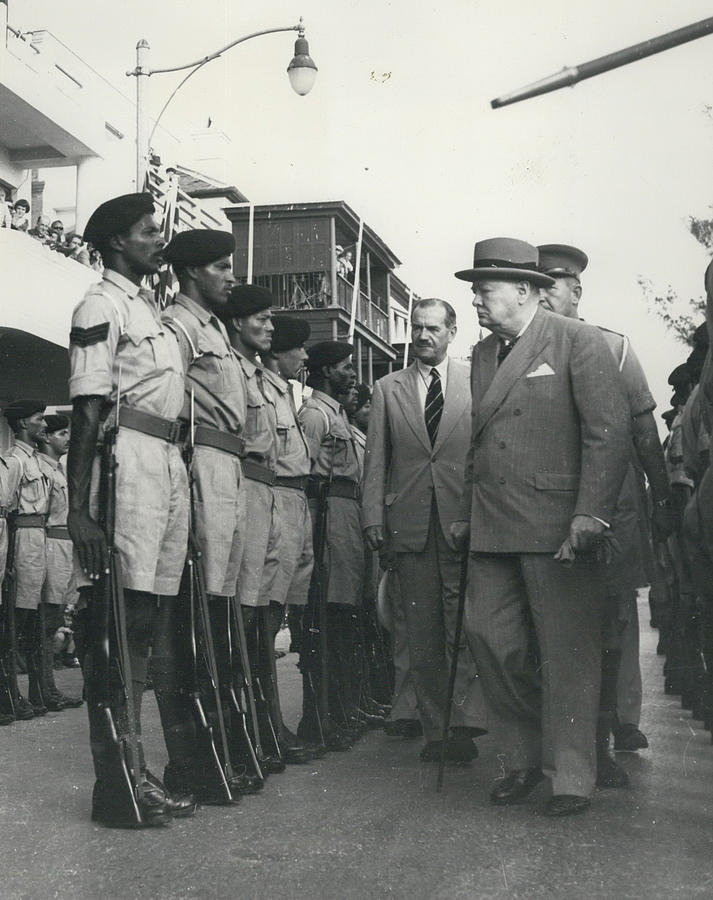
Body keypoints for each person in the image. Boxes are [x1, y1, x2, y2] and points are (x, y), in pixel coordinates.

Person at [451, 237, 630, 817]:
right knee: (490, 640)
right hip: (492, 525)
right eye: (475, 289)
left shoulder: (578, 340)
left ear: (525, 290)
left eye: (485, 288)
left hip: (558, 526)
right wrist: (464, 513)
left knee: (568, 653)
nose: (476, 299)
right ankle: (524, 758)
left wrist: (590, 512)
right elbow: (479, 443)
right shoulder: (482, 355)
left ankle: (571, 776)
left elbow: (608, 431)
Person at [67, 192, 194, 828]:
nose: (159, 241)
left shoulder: (150, 307)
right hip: (126, 466)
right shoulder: (101, 303)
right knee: (119, 622)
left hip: (162, 462)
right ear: (118, 241)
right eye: (149, 232)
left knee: (143, 621)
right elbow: (88, 409)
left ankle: (134, 769)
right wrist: (80, 512)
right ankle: (116, 782)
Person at [538, 243, 673, 777]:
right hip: (547, 508)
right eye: (538, 283)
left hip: (614, 509)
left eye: (557, 283)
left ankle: (604, 733)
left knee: (611, 623)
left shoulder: (614, 348)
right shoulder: (520, 353)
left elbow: (644, 427)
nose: (547, 293)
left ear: (576, 290)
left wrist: (661, 499)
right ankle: (563, 744)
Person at [162, 229, 264, 800]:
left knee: (218, 604)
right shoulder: (177, 326)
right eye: (222, 267)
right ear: (194, 272)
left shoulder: (217, 332)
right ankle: (193, 757)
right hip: (200, 463)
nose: (231, 277)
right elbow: (166, 399)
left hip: (229, 466)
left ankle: (219, 746)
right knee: (196, 610)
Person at [362, 298, 487, 763]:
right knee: (422, 631)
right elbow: (377, 459)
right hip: (409, 525)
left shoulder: (476, 381)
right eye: (416, 328)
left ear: (452, 331)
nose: (423, 336)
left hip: (463, 521)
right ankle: (436, 730)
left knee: (465, 626)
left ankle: (464, 722)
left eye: (433, 328)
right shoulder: (387, 388)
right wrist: (373, 516)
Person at [217, 284, 287, 774]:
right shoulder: (228, 368)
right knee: (237, 618)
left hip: (268, 492)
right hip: (240, 487)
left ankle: (259, 729)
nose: (270, 326)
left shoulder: (262, 374)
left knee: (258, 614)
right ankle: (238, 735)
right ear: (238, 322)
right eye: (261, 318)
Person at [260, 315, 325, 760]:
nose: (304, 357)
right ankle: (268, 729)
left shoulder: (285, 391)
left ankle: (272, 728)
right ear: (277, 351)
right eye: (297, 349)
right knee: (264, 621)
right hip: (276, 502)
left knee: (279, 612)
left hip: (296, 501)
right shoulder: (262, 389)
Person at [297, 340, 361, 751]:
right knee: (325, 613)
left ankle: (335, 711)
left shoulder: (336, 412)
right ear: (323, 372)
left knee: (342, 615)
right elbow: (302, 471)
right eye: (344, 367)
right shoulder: (315, 415)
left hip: (346, 511)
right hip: (326, 514)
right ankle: (316, 718)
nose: (352, 374)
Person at [6, 399, 51, 720]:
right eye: (39, 419)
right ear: (23, 424)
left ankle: (34, 691)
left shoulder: (36, 460)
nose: (45, 425)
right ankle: (10, 694)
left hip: (40, 541)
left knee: (35, 620)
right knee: (15, 621)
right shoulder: (13, 461)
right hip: (22, 540)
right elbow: (6, 509)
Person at [36, 414, 83, 711]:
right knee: (48, 620)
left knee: (59, 619)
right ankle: (46, 690)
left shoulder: (61, 470)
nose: (67, 438)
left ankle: (48, 688)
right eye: (62, 433)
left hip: (67, 547)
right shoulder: (41, 469)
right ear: (47, 437)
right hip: (51, 545)